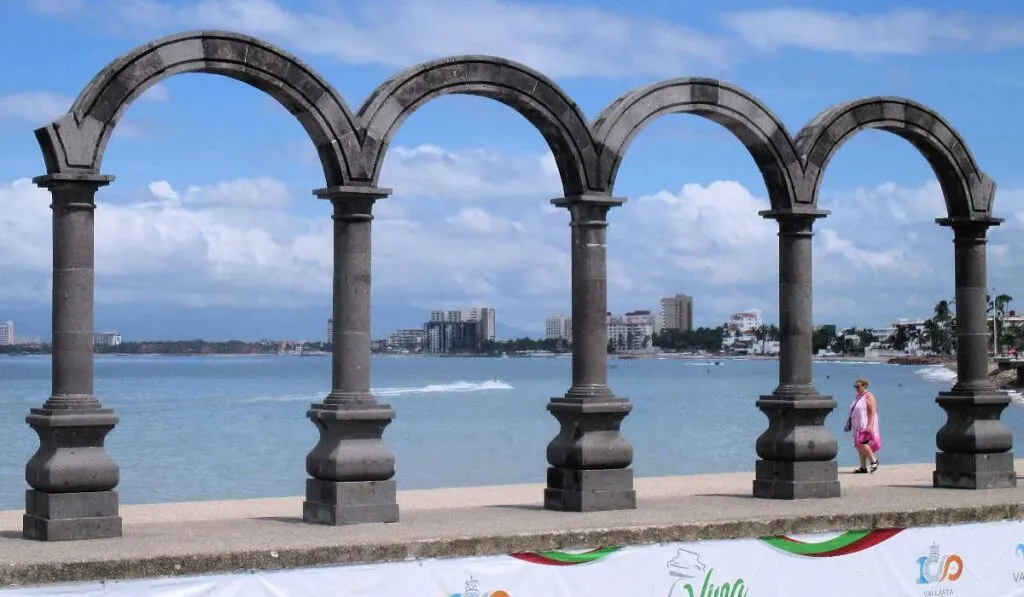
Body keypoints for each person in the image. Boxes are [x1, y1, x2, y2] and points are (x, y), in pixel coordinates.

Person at [844, 378, 881, 473]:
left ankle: (874, 461)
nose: (856, 388)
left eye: (858, 386)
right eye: (855, 386)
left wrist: (870, 425)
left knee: (861, 443)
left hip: (864, 424)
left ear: (864, 386)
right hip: (857, 425)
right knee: (859, 446)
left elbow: (873, 411)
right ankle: (863, 467)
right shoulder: (857, 396)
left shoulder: (869, 396)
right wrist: (848, 423)